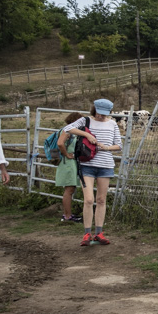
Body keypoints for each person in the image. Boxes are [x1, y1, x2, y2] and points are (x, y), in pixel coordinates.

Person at [62, 99, 123, 245]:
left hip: (105, 165)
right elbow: (67, 128)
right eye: (99, 113)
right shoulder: (85, 120)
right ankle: (86, 233)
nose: (101, 116)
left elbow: (119, 145)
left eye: (104, 114)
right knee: (89, 199)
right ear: (94, 109)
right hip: (87, 164)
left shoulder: (112, 123)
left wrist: (106, 148)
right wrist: (88, 135)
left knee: (101, 200)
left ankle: (99, 233)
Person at [55, 112, 83, 223]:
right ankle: (67, 216)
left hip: (68, 162)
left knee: (70, 189)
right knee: (69, 189)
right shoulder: (68, 131)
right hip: (68, 162)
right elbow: (60, 143)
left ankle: (67, 214)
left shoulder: (68, 131)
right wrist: (66, 154)